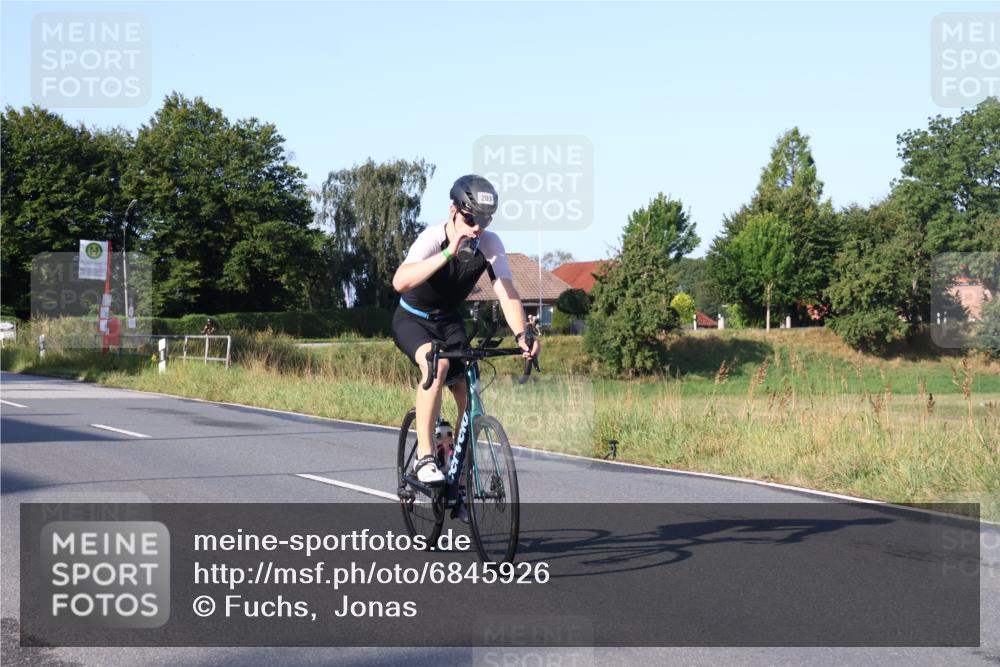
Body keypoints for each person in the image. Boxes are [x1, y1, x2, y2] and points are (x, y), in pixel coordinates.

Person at [391, 174, 540, 489]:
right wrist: (447, 254)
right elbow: (400, 282)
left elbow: (506, 291)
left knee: (469, 386)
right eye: (470, 219)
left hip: (449, 320)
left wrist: (521, 335)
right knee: (437, 364)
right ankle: (426, 457)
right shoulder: (432, 238)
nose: (476, 227)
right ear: (453, 211)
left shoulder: (489, 243)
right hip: (413, 318)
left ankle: (460, 471)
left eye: (483, 221)